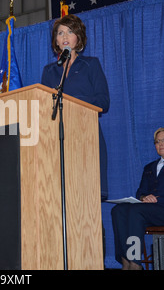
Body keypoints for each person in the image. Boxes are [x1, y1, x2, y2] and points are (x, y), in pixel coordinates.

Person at [41, 14, 110, 201]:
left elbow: (103, 102)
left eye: (70, 32)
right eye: (60, 33)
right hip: (58, 138)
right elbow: (45, 106)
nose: (64, 37)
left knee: (86, 197)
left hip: (86, 135)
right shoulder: (49, 71)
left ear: (78, 37)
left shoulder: (91, 64)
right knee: (62, 197)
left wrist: (72, 101)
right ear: (55, 40)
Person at [111, 128, 164, 270]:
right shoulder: (149, 167)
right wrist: (144, 197)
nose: (161, 144)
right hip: (148, 210)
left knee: (136, 211)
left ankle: (135, 263)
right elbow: (140, 191)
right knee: (118, 210)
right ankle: (125, 259)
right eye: (157, 142)